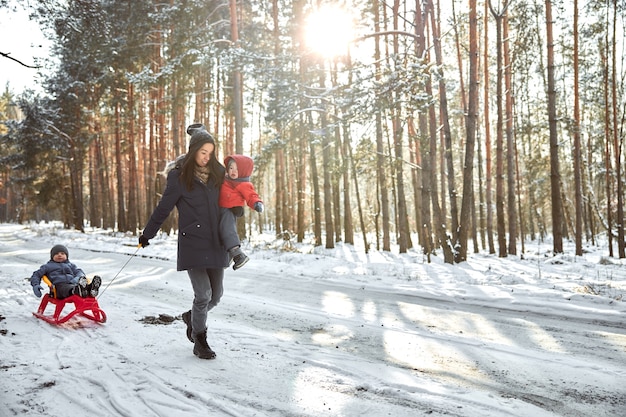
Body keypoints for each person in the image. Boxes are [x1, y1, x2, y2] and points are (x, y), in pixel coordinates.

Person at [138, 123, 229, 360]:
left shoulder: (219, 174)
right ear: (193, 151)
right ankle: (200, 339)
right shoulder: (179, 177)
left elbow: (232, 198)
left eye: (210, 153)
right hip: (193, 243)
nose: (206, 157)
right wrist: (148, 234)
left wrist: (238, 210)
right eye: (202, 152)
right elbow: (163, 208)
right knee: (203, 294)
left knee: (216, 296)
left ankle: (191, 317)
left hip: (216, 242)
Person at [219, 154, 264, 270]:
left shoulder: (243, 184)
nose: (233, 171)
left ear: (244, 171)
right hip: (219, 208)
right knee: (220, 232)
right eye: (231, 168)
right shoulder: (225, 179)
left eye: (237, 169)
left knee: (227, 230)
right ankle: (227, 256)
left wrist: (256, 203)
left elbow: (251, 195)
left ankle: (238, 254)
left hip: (229, 210)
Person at [30, 244, 102, 299]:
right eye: (56, 254)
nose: (59, 255)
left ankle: (90, 289)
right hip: (58, 288)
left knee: (77, 285)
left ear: (66, 256)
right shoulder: (48, 266)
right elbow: (36, 274)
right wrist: (35, 285)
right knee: (67, 288)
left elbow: (80, 272)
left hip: (73, 284)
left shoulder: (70, 265)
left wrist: (76, 279)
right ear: (52, 256)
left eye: (62, 253)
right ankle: (78, 291)